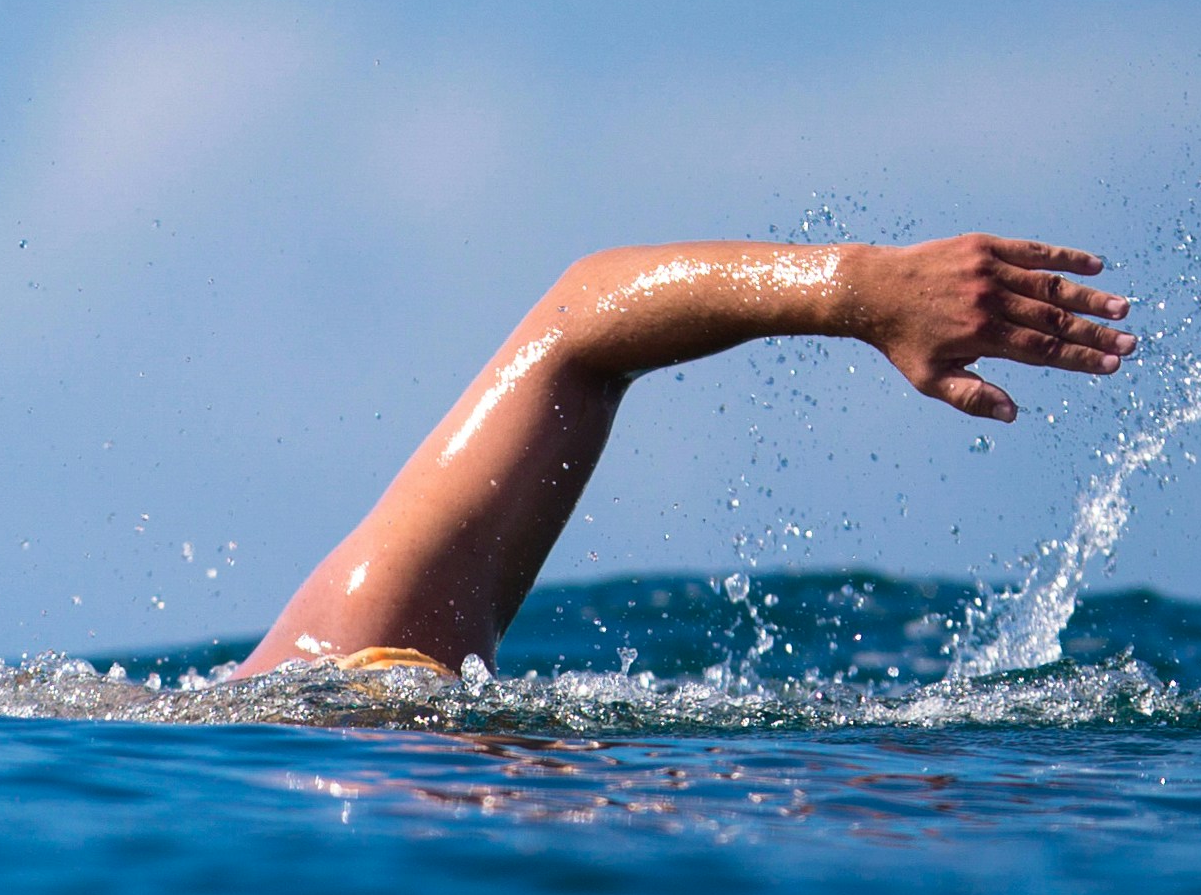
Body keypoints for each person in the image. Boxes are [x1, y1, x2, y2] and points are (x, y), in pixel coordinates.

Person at [227, 234, 1136, 681]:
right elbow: (575, 329)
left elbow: (580, 318)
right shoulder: (338, 696)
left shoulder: (337, 673)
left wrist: (859, 289)